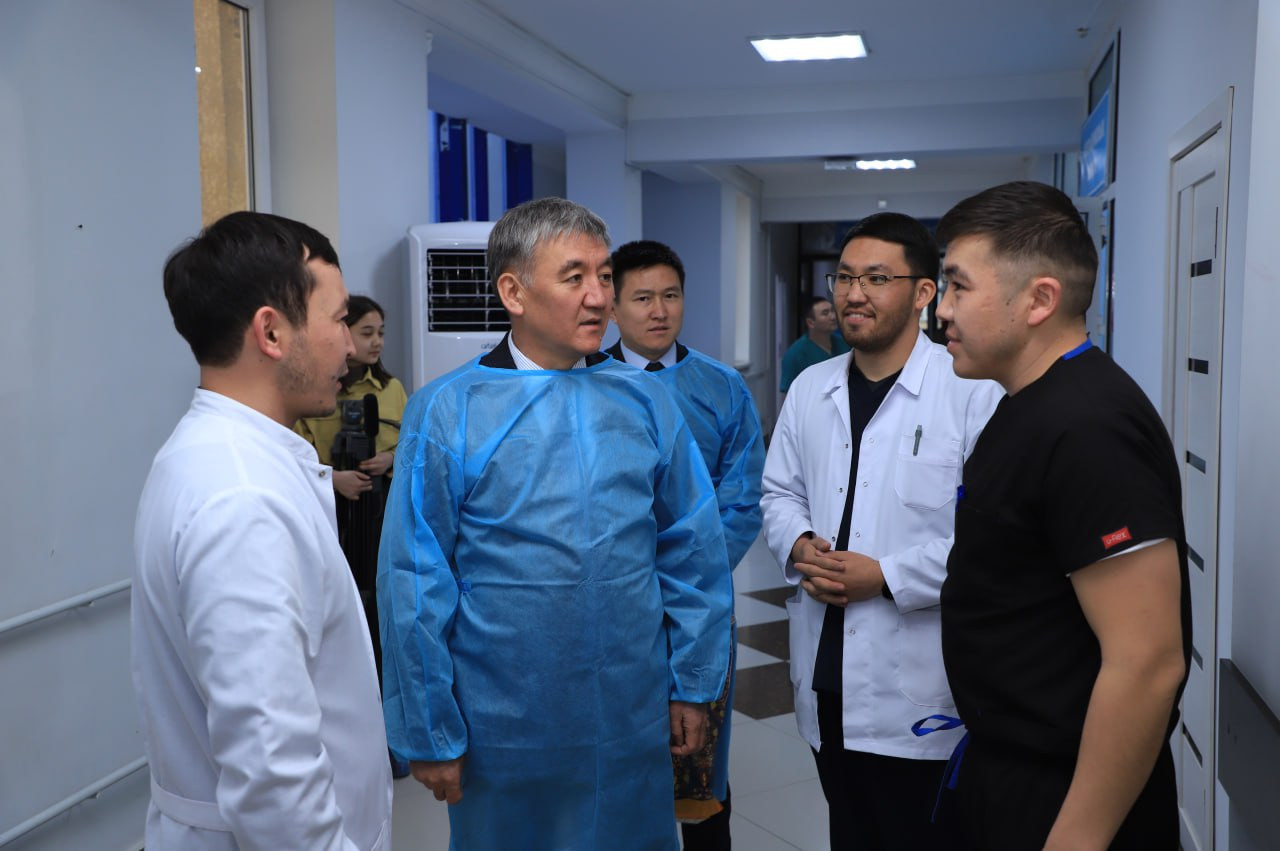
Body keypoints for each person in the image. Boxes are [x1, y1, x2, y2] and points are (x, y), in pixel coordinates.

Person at [378, 198, 734, 850]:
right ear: (513, 291)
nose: (599, 297)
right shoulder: (449, 411)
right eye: (575, 277)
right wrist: (430, 730)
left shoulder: (645, 399)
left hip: (630, 714)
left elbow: (693, 550)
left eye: (605, 276)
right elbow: (415, 580)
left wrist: (693, 685)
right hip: (504, 728)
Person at [935, 181, 1190, 850]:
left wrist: (1076, 839)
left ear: (1039, 300)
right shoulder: (1029, 403)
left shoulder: (1089, 427)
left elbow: (1147, 661)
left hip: (1066, 799)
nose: (941, 310)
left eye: (958, 286)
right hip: (1009, 770)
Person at [132, 211, 393, 850]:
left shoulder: (220, 455)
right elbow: (273, 778)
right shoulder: (241, 497)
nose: (350, 347)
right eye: (338, 320)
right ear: (272, 332)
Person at [760, 212, 1002, 850]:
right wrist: (799, 543)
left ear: (924, 292)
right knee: (851, 832)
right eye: (843, 278)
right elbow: (779, 492)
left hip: (922, 691)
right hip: (826, 680)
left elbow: (995, 538)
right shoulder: (810, 388)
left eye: (875, 278)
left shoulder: (970, 392)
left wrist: (887, 576)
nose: (854, 294)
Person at [605, 239, 765, 850]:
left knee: (700, 758)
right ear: (613, 306)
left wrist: (694, 574)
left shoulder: (721, 386)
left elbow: (743, 494)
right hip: (614, 600)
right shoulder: (586, 382)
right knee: (618, 760)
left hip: (700, 601)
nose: (659, 311)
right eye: (642, 298)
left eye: (670, 296)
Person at [779, 295, 849, 393]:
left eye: (833, 311)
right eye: (825, 313)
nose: (833, 317)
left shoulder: (845, 344)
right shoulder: (795, 355)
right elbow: (788, 395)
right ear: (811, 323)